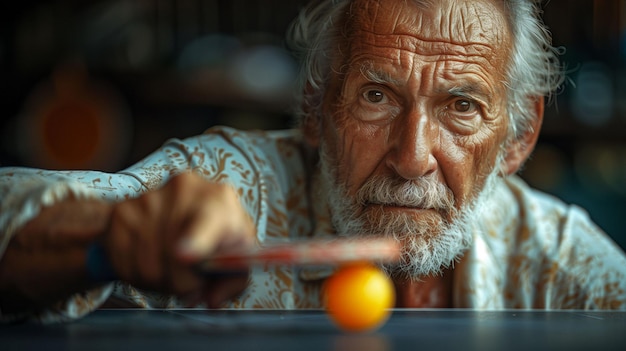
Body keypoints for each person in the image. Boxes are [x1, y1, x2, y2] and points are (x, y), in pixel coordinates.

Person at [1, 0, 625, 323]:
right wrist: (110, 232)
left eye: (461, 107)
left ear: (518, 137)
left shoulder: (558, 265)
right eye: (377, 97)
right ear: (314, 108)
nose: (411, 159)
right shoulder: (235, 188)